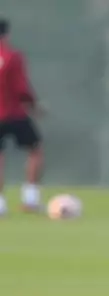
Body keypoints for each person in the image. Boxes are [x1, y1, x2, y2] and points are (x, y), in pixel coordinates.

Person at [0, 17, 44, 215]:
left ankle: (0, 205)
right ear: (6, 34)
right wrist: (34, 106)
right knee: (35, 150)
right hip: (13, 114)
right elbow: (21, 89)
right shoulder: (13, 56)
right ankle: (30, 200)